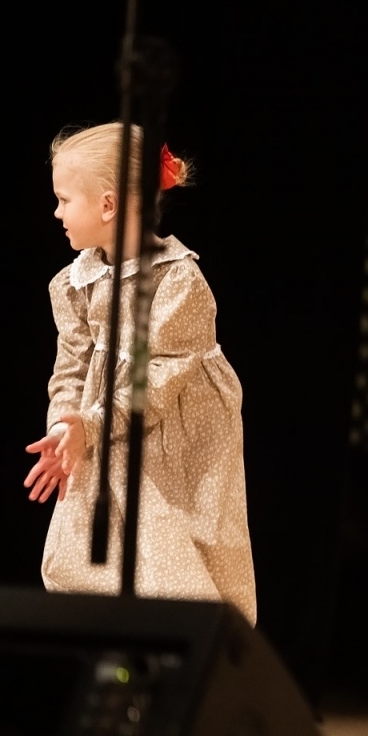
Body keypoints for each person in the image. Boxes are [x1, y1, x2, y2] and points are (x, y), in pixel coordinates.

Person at [26, 123, 256, 623]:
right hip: (100, 430)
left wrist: (91, 422)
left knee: (176, 573)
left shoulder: (177, 282)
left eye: (65, 200)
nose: (58, 212)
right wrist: (66, 424)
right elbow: (71, 365)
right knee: (89, 566)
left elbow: (152, 383)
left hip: (174, 442)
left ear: (108, 206)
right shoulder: (73, 283)